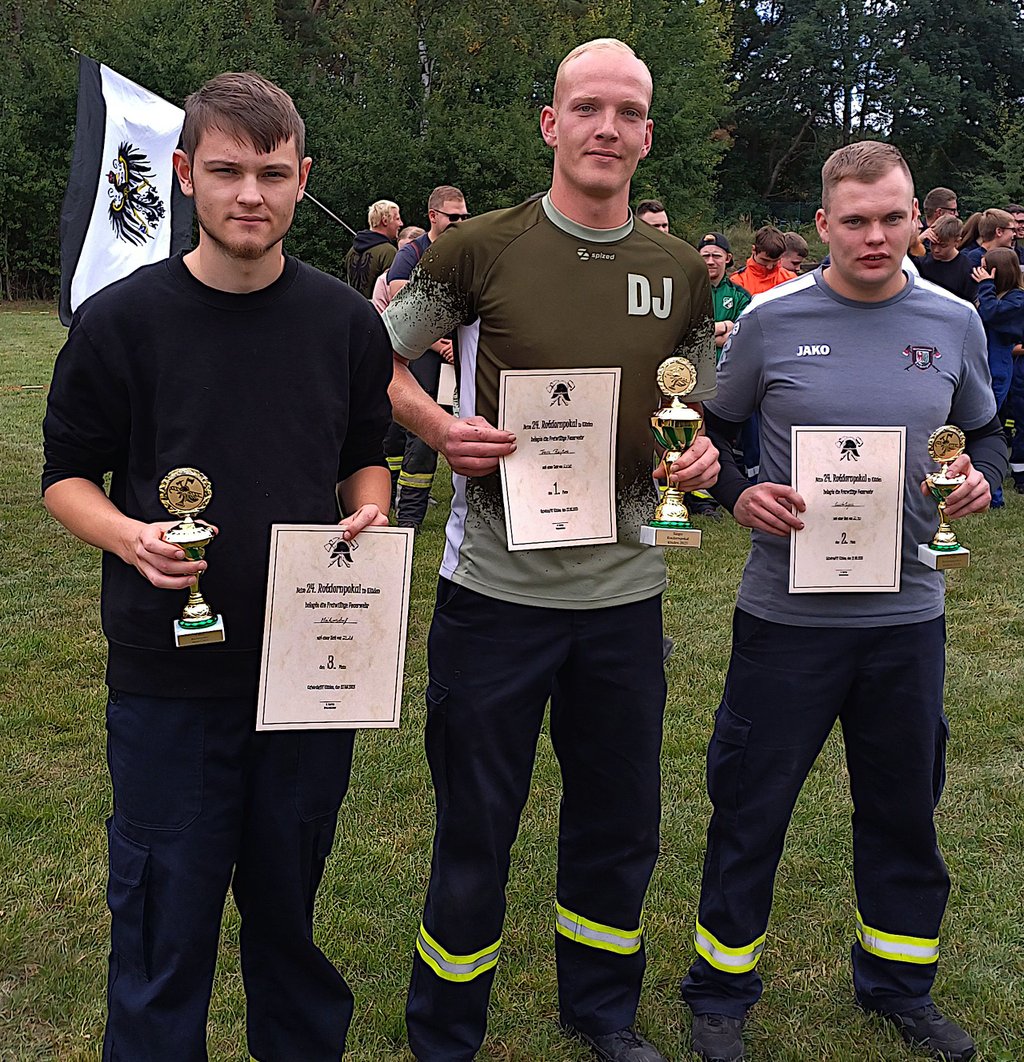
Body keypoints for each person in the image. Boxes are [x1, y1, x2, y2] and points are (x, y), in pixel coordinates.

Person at [41, 72, 392, 1061]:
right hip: (170, 683)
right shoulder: (123, 321)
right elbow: (65, 474)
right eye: (228, 171)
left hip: (309, 680)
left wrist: (366, 508)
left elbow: (368, 448)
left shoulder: (344, 325)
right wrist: (129, 535)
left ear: (301, 179)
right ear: (187, 175)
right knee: (163, 925)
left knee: (289, 918)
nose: (251, 194)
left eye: (272, 173)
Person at [384, 37, 719, 1062]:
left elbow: (689, 406)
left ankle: (601, 1015)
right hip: (494, 591)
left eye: (626, 112)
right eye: (587, 108)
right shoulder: (476, 248)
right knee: (477, 824)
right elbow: (370, 360)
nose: (606, 128)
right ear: (552, 123)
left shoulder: (677, 271)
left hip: (624, 592)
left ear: (645, 134)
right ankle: (446, 1029)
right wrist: (441, 431)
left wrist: (697, 452)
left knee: (617, 822)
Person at [681, 140, 1006, 1062]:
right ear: (823, 223)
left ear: (918, 220)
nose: (875, 235)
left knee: (904, 808)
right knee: (752, 806)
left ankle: (899, 985)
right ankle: (718, 990)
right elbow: (713, 433)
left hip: (906, 620)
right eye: (854, 219)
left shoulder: (953, 320)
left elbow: (980, 434)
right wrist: (737, 490)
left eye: (892, 217)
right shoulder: (772, 321)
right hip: (786, 619)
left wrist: (980, 481)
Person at [383, 184, 468, 528]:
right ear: (433, 216)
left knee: (437, 434)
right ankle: (402, 513)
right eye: (453, 216)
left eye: (465, 215)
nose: (461, 222)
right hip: (421, 357)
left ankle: (413, 515)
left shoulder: (468, 250)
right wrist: (440, 345)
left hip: (455, 359)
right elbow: (399, 305)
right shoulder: (412, 252)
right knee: (411, 435)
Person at [971, 247, 1024, 507]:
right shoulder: (991, 294)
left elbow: (992, 314)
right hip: (982, 361)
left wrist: (986, 287)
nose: (978, 271)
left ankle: (994, 495)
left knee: (989, 425)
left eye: (984, 266)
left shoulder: (1016, 299)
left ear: (996, 271)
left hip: (999, 366)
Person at [345, 198, 402, 298]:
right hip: (376, 311)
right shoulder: (388, 252)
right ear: (385, 221)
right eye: (397, 219)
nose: (401, 223)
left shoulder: (351, 251)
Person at [912, 215, 977, 302]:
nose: (936, 250)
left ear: (957, 242)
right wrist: (918, 240)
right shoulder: (921, 263)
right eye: (933, 243)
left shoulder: (967, 269)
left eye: (943, 245)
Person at [730, 225, 797, 295]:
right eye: (765, 260)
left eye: (775, 261)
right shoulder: (737, 282)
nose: (769, 267)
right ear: (753, 250)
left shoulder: (790, 279)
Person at [371, 225, 425, 313]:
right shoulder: (384, 281)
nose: (406, 256)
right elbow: (379, 316)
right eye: (402, 251)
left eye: (411, 250)